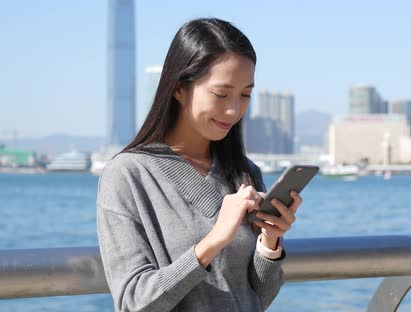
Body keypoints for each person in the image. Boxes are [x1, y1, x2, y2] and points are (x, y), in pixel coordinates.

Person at [96, 18, 300, 312]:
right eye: (221, 94)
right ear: (179, 88)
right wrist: (213, 241)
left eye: (245, 95)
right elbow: (132, 303)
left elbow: (257, 299)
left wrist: (269, 242)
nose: (234, 110)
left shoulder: (244, 173)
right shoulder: (127, 175)